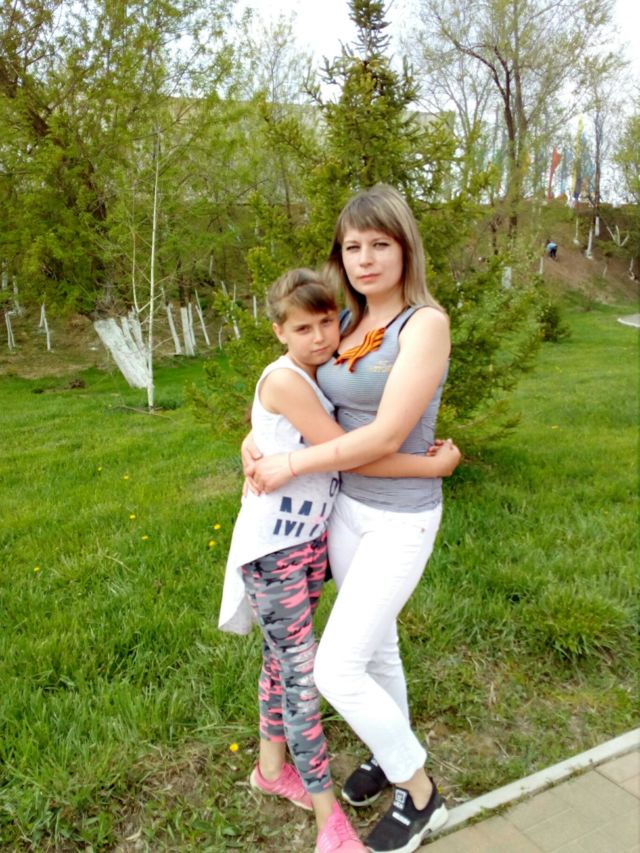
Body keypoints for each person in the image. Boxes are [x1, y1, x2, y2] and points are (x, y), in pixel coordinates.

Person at [245, 184, 455, 853]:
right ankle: (387, 755)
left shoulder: (423, 325)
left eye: (379, 244)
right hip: (345, 511)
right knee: (378, 648)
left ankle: (421, 794)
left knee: (335, 668)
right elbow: (303, 394)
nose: (364, 259)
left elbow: (386, 435)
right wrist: (258, 440)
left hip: (399, 519)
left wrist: (293, 464)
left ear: (405, 247)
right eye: (352, 246)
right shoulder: (345, 320)